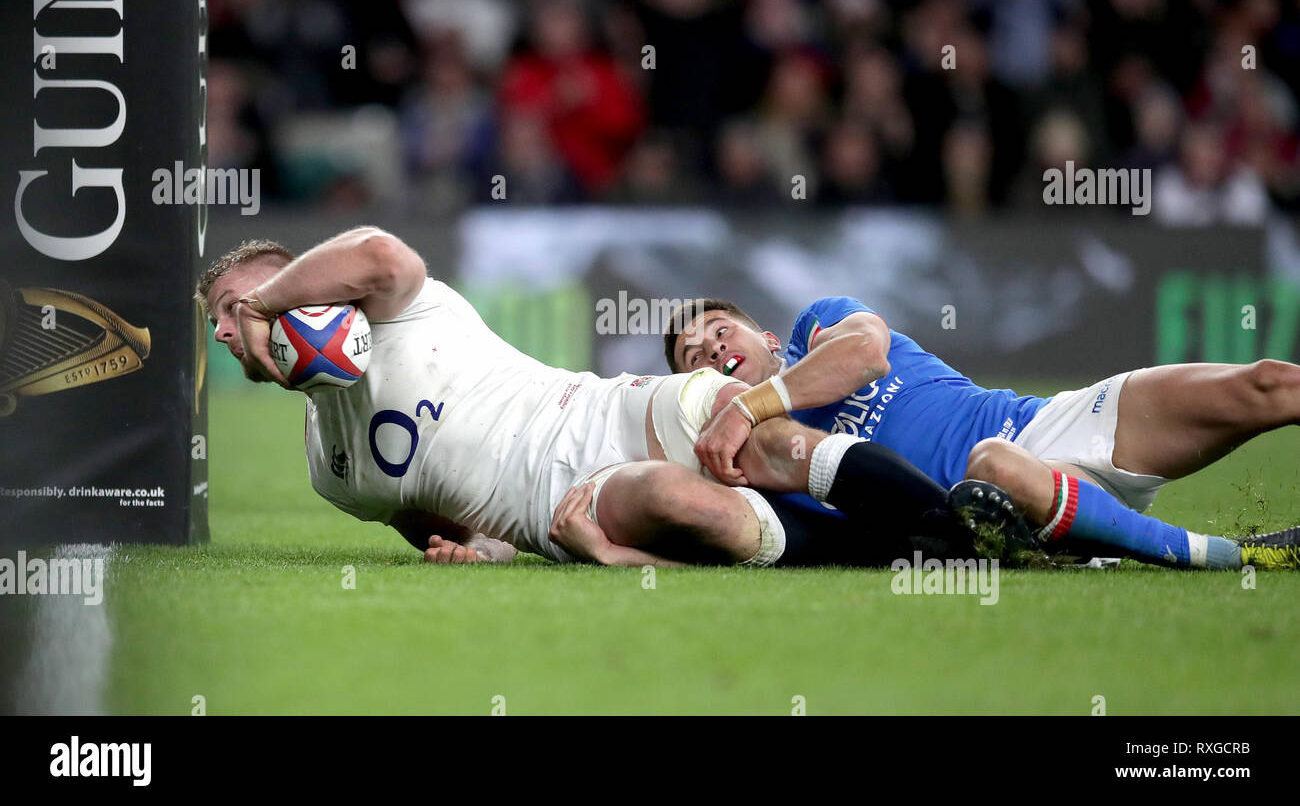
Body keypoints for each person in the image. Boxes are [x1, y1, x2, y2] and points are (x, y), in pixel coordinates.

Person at [197, 228, 1017, 569]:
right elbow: (444, 523)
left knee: (763, 441)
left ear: (291, 289)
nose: (229, 332)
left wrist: (267, 303)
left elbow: (374, 251)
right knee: (681, 499)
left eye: (235, 308)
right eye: (220, 323)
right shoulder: (328, 471)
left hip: (599, 406)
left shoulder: (399, 302)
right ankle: (919, 556)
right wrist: (480, 552)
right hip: (563, 500)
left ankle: (967, 531)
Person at [664, 297, 1300, 571]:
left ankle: (1085, 546)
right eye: (694, 358)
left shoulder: (820, 325)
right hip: (993, 500)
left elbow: (867, 355)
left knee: (1267, 382)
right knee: (992, 466)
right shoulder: (769, 466)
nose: (713, 350)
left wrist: (749, 406)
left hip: (1049, 419)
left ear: (766, 338)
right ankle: (1236, 555)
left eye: (720, 330)